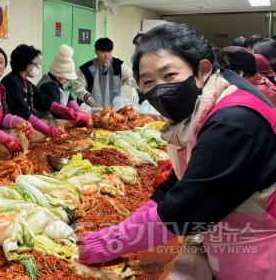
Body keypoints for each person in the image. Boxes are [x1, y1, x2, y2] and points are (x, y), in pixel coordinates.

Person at [78, 23, 276, 280]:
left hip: (261, 255)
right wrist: (133, 221)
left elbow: (185, 207)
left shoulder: (233, 122)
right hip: (233, 244)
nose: (159, 88)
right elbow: (180, 182)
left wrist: (111, 242)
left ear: (202, 70)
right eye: (148, 82)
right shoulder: (202, 111)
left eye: (169, 75)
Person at [1, 45, 72, 137]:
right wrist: (46, 129)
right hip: (11, 132)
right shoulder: (11, 83)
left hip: (24, 129)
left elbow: (43, 99)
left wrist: (63, 110)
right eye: (35, 65)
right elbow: (22, 112)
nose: (37, 67)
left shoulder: (25, 82)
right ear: (27, 64)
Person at [74, 37, 138, 108]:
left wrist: (143, 85)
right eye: (103, 51)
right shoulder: (85, 69)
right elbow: (77, 85)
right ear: (96, 51)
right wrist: (86, 96)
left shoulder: (119, 66)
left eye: (109, 51)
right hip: (92, 110)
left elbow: (131, 78)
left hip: (115, 111)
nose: (106, 54)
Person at [36, 44, 90, 126]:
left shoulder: (61, 81)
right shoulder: (49, 86)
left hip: (55, 122)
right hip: (44, 123)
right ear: (59, 74)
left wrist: (79, 111)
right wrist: (76, 116)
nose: (68, 81)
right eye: (67, 78)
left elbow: (68, 97)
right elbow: (57, 112)